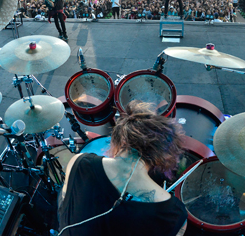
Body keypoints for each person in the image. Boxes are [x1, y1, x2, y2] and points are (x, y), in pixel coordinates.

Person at [57, 101, 188, 236]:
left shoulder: (80, 163)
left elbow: (64, 209)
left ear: (119, 139)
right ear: (161, 156)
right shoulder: (175, 215)